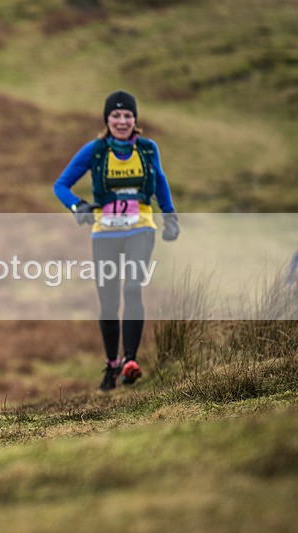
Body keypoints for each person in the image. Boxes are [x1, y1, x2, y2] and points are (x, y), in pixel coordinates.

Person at [53, 90, 178, 391]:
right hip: (105, 232)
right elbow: (61, 186)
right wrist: (78, 206)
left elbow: (160, 181)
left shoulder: (147, 149)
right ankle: (112, 364)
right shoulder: (95, 151)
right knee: (109, 303)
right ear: (107, 120)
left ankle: (130, 361)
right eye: (116, 115)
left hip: (141, 229)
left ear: (135, 119)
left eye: (127, 116)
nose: (122, 121)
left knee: (133, 286)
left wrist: (170, 215)